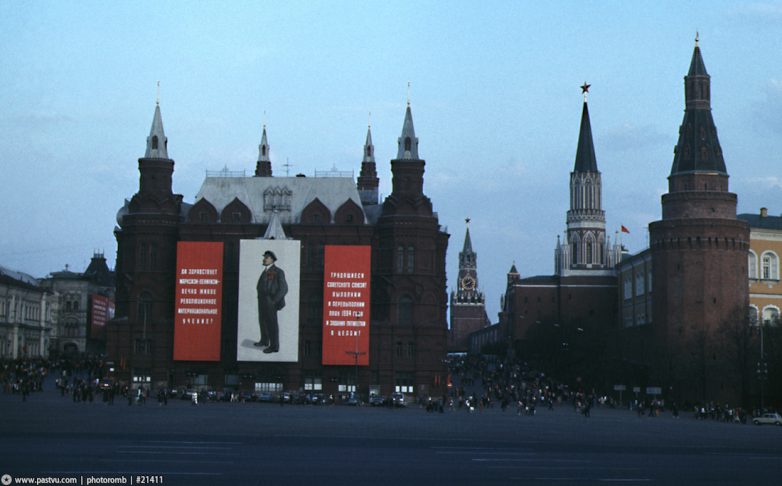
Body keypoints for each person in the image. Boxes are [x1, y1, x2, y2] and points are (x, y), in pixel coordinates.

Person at [254, 250, 288, 354]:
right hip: (262, 300)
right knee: (263, 321)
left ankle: (274, 346)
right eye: (264, 257)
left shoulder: (278, 271)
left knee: (272, 324)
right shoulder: (265, 271)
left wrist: (274, 301)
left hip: (270, 301)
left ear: (272, 260)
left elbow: (284, 288)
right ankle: (264, 341)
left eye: (266, 257)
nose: (264, 259)